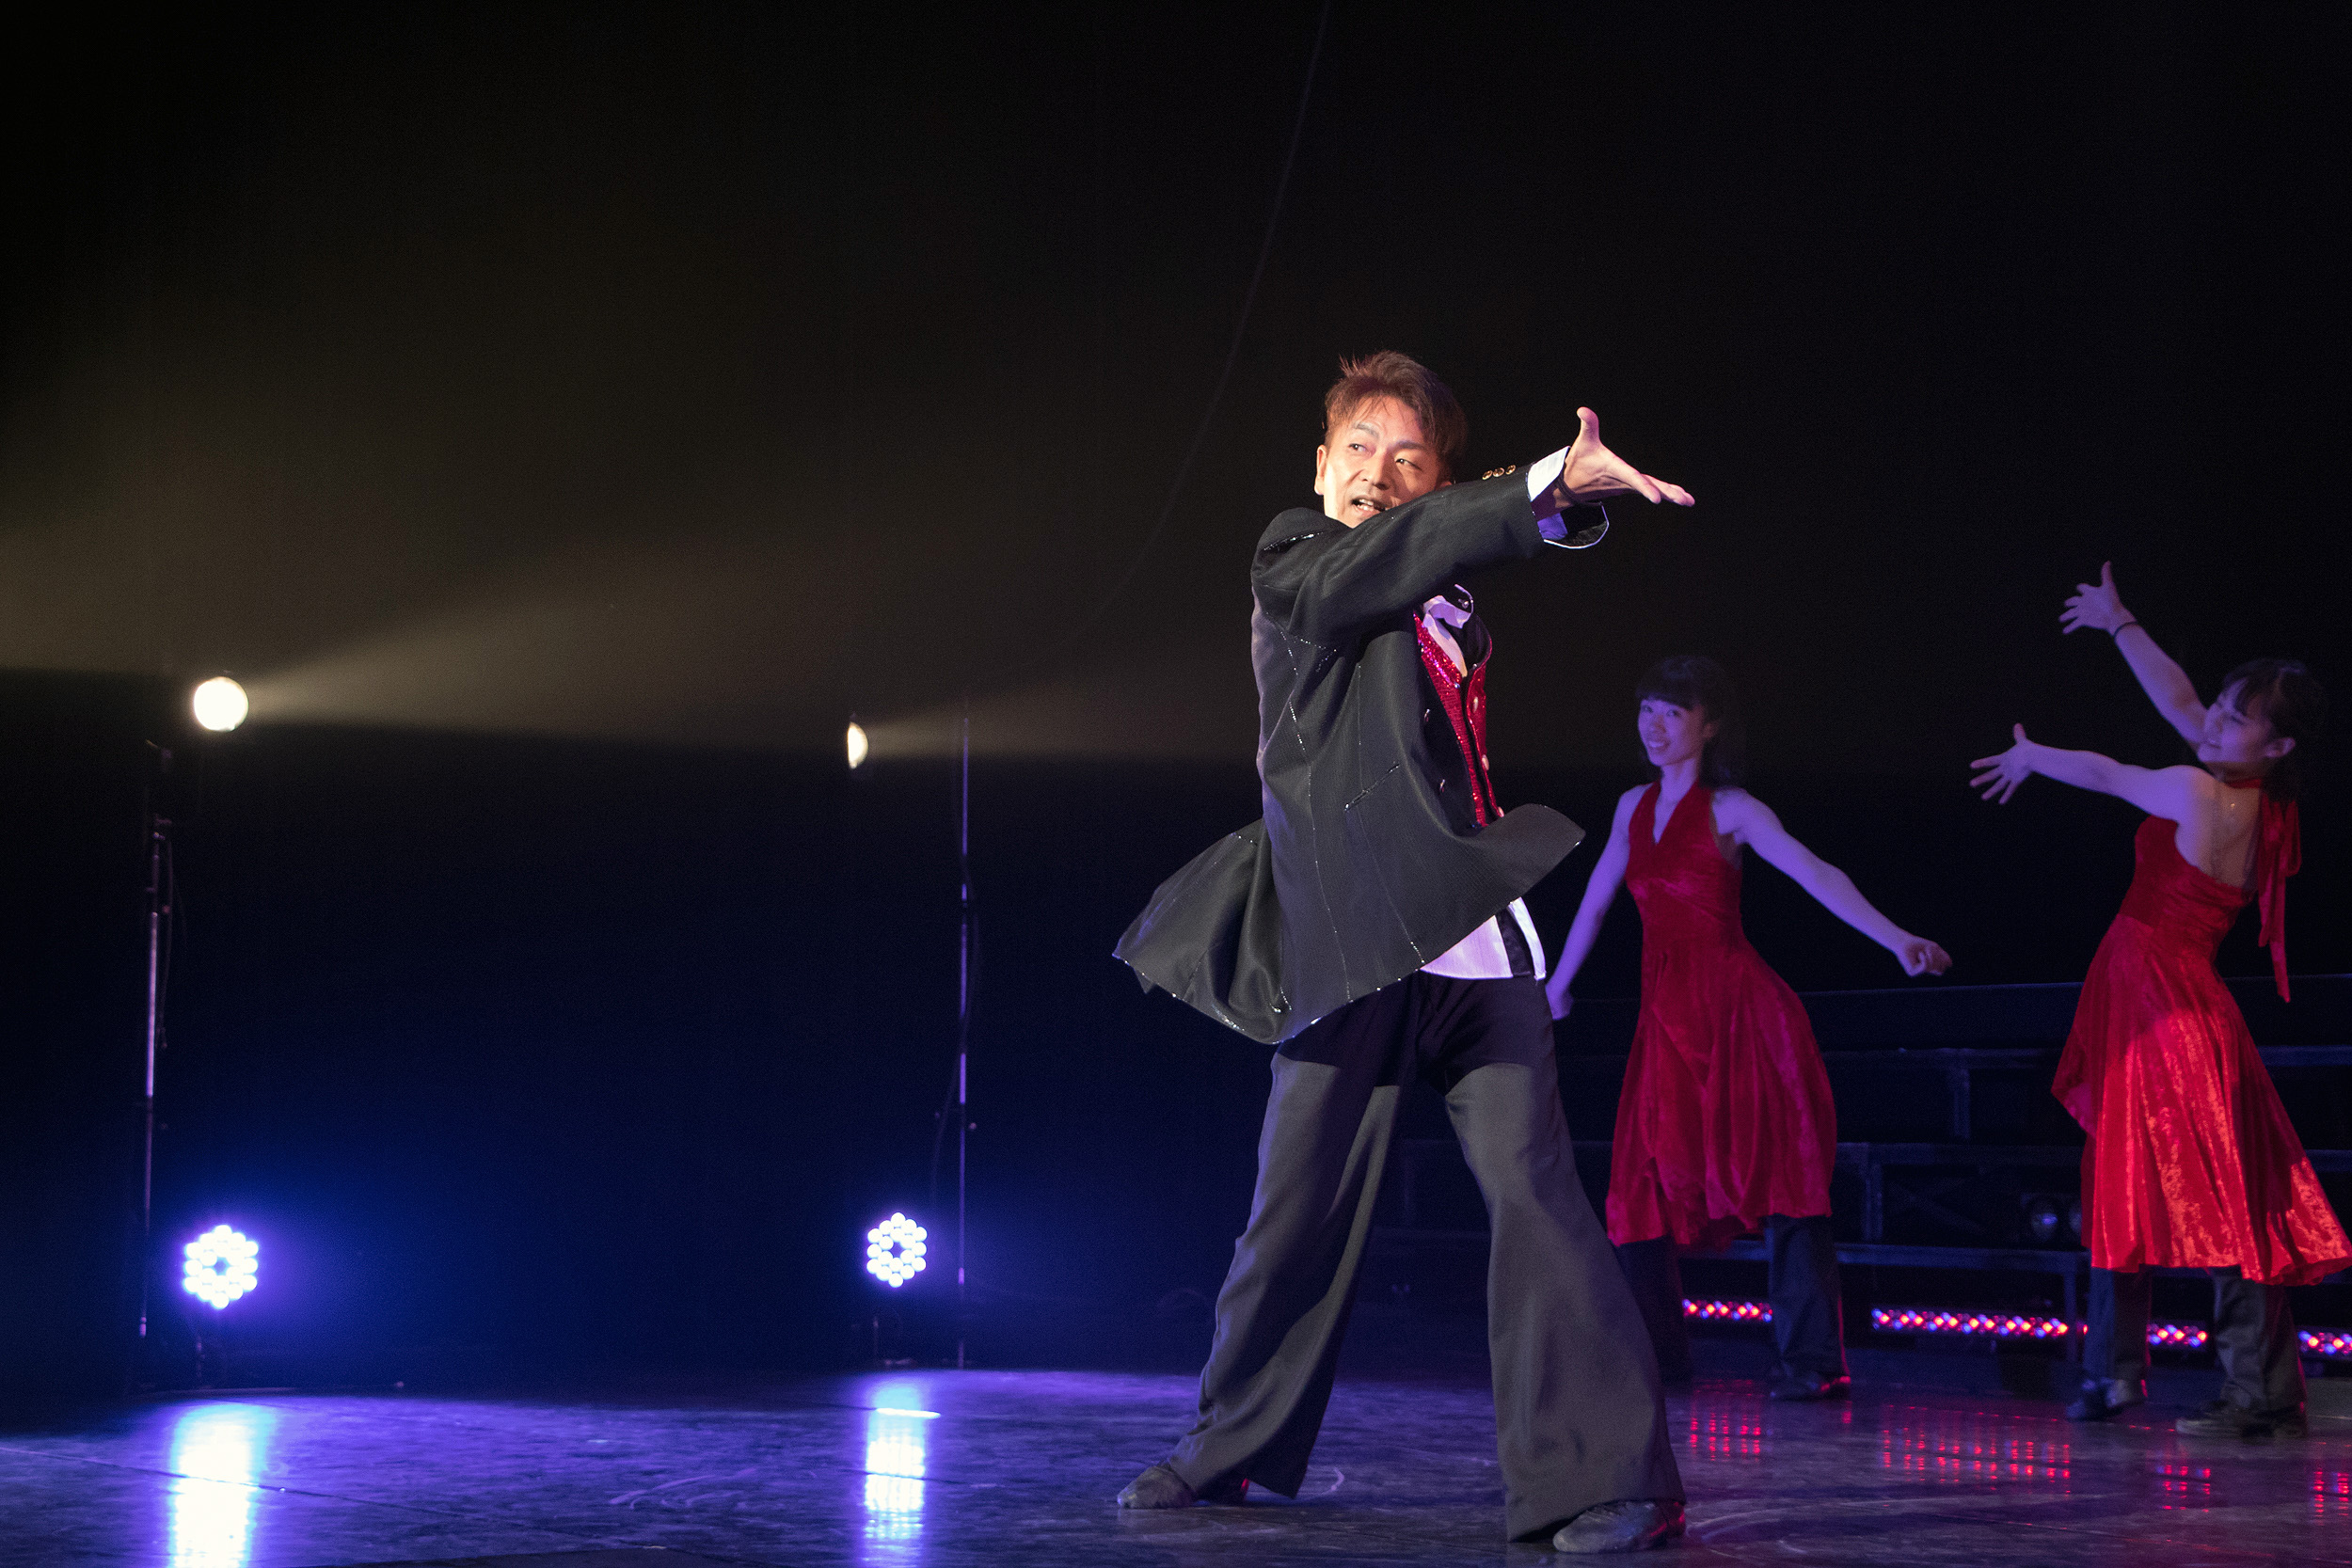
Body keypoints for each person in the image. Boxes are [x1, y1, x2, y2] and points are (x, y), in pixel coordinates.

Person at [1114, 353, 1692, 1553]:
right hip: (1352, 938)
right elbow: (1376, 567)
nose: (1377, 474)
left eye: (1407, 460)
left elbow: (1442, 559)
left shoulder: (1449, 598)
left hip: (1473, 938)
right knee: (1294, 1214)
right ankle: (1226, 1447)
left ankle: (1610, 1476)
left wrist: (1551, 500)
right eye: (1358, 450)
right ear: (1321, 465)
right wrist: (1533, 484)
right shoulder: (1295, 560)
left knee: (1539, 1198)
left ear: (1434, 480)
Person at [1970, 562, 2348, 1437]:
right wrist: (2121, 623)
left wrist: (2032, 755)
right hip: (2159, 1000)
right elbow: (2181, 701)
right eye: (2222, 705)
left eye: (2235, 717)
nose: (2211, 720)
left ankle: (2251, 1391)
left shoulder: (2202, 792)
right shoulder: (2259, 795)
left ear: (2278, 745)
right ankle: (2119, 1374)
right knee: (2130, 1176)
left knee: (2212, 1194)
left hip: (2165, 1009)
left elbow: (2108, 774)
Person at [1544, 657, 1951, 1401]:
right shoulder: (1632, 805)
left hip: (1738, 1015)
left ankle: (1811, 1360)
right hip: (1666, 1022)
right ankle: (1658, 1358)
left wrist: (1896, 938)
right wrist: (1559, 983)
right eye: (1647, 709)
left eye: (1672, 712)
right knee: (1639, 1185)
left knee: (1781, 1176)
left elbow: (1814, 871)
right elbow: (1598, 900)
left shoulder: (1732, 808)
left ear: (1709, 726)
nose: (1654, 725)